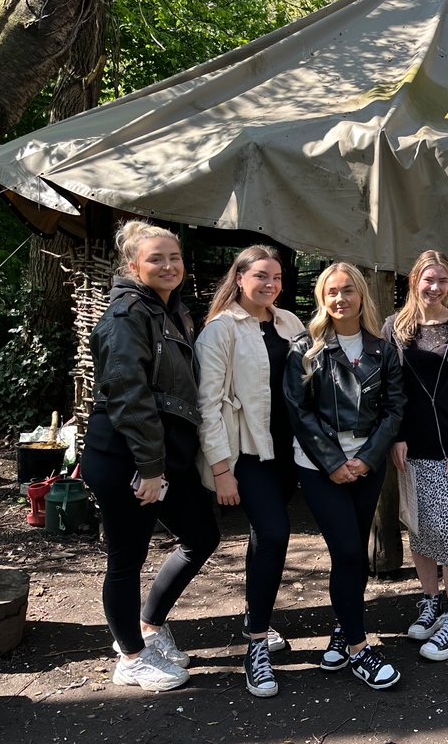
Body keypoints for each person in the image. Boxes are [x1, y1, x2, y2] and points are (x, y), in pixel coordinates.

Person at [81, 221, 220, 692]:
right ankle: (132, 657)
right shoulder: (126, 315)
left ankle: (150, 626)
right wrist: (150, 468)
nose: (168, 265)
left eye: (174, 257)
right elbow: (128, 396)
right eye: (156, 258)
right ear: (132, 265)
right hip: (127, 456)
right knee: (127, 558)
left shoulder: (171, 311)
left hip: (163, 456)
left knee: (201, 536)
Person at [284, 262, 406, 689]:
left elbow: (394, 409)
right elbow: (298, 412)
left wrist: (367, 459)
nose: (340, 299)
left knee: (349, 556)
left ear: (362, 296)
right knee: (351, 553)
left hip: (367, 465)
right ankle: (359, 650)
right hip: (319, 467)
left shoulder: (382, 348)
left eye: (348, 291)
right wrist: (333, 462)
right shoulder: (306, 347)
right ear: (322, 297)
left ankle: (342, 628)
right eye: (332, 291)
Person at [196, 245, 305, 698]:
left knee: (266, 536)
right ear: (239, 278)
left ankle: (252, 615)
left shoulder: (289, 323)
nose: (270, 284)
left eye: (276, 277)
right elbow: (207, 406)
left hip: (287, 452)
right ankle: (256, 644)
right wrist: (222, 470)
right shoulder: (220, 331)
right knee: (276, 535)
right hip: (248, 453)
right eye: (261, 275)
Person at [384, 250, 448, 662]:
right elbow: (391, 387)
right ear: (414, 281)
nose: (435, 287)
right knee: (419, 529)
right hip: (410, 447)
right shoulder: (396, 326)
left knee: (446, 531)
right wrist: (397, 435)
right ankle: (430, 601)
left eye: (443, 280)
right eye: (429, 279)